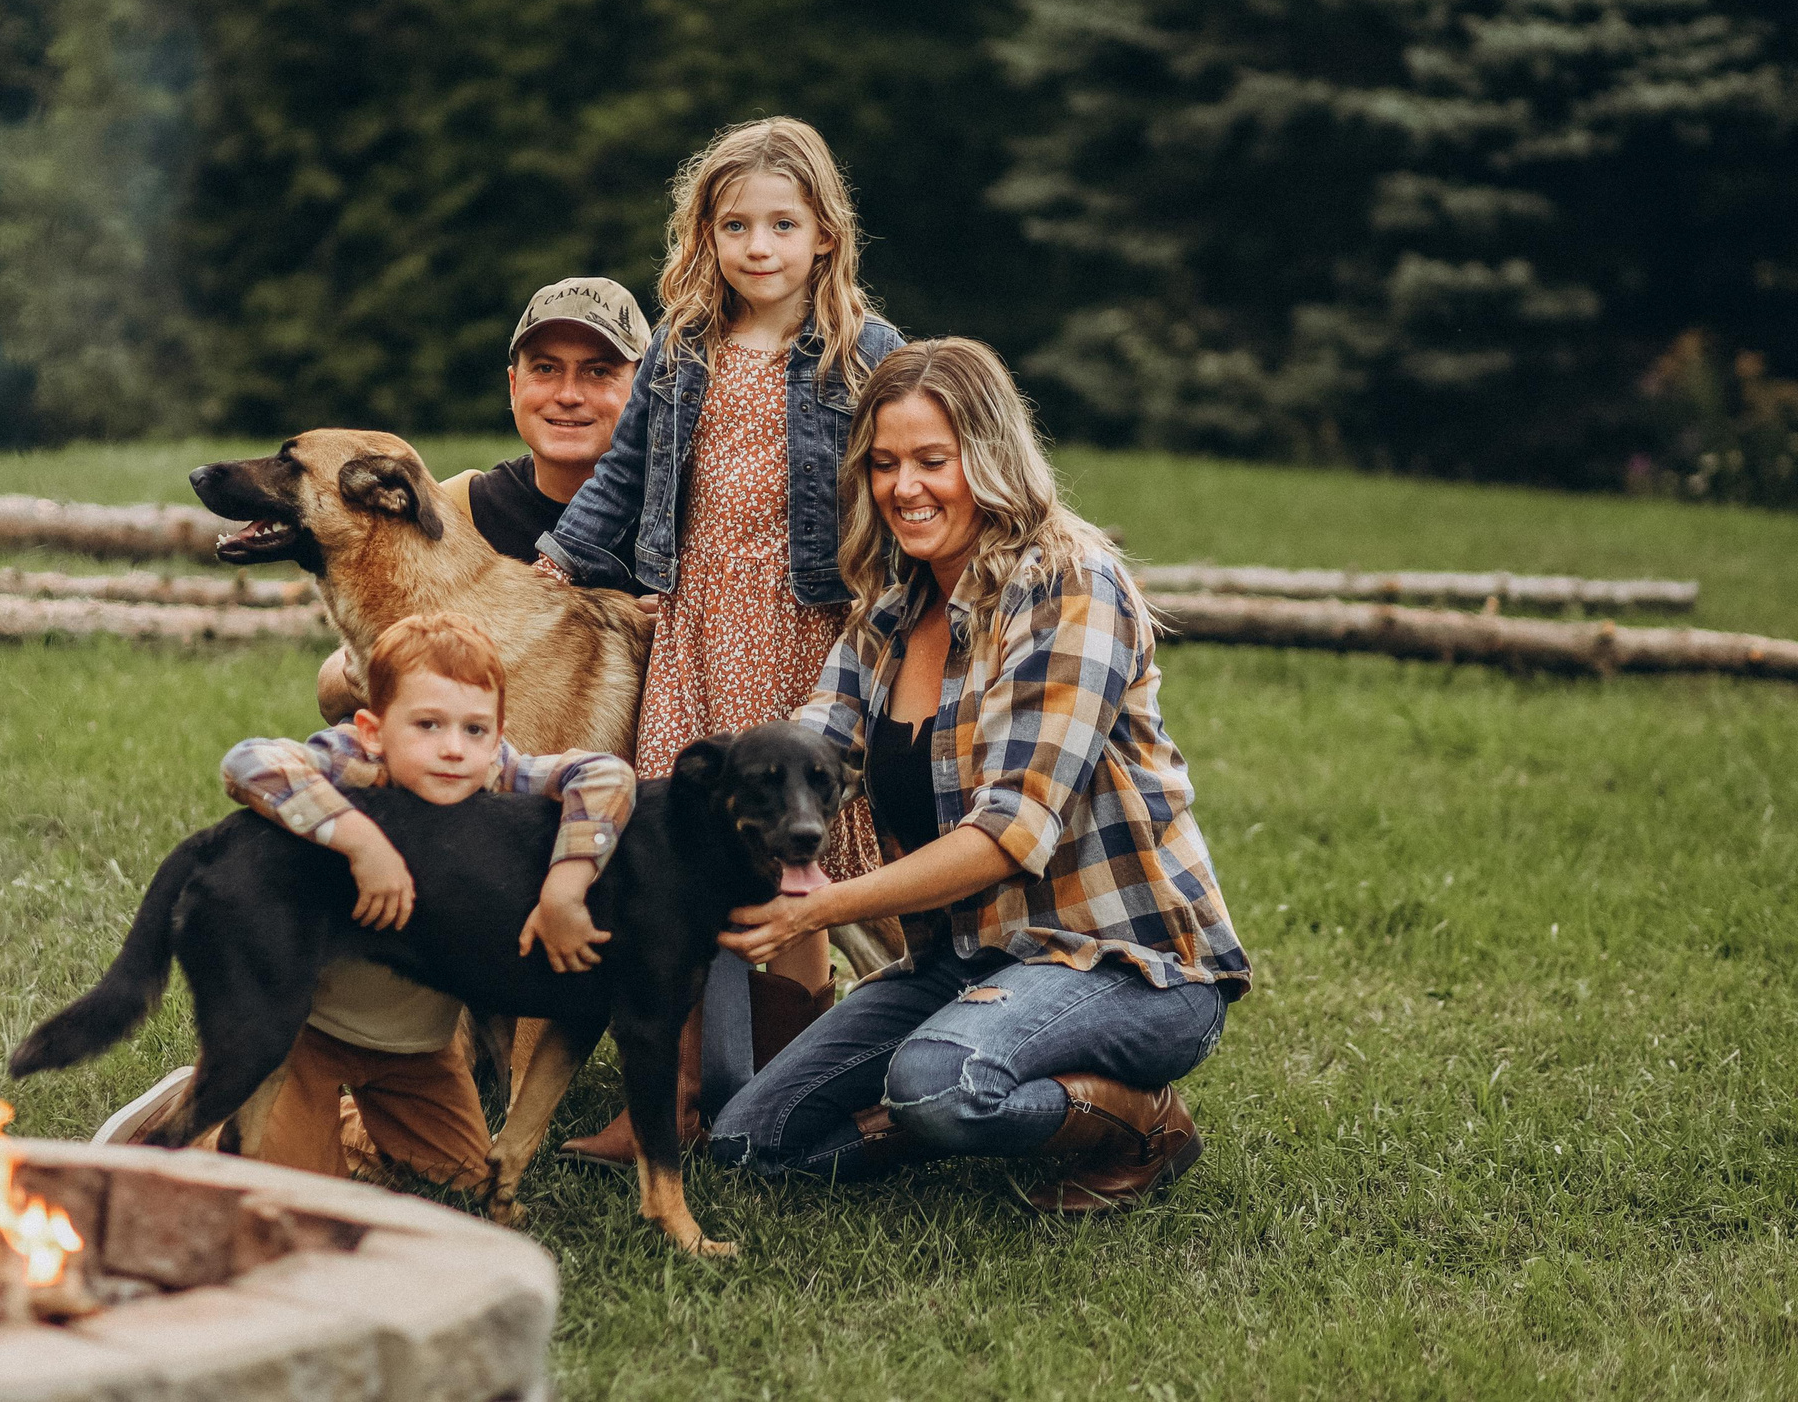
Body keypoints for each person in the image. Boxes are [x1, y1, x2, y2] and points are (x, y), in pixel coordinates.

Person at [706, 338, 1249, 1210]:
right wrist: (688, 816)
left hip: (1123, 966)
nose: (903, 487)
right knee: (748, 1141)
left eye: (933, 459)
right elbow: (812, 745)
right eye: (883, 464)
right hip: (961, 959)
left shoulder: (1071, 582)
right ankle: (940, 1102)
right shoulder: (890, 609)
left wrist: (827, 905)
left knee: (939, 1082)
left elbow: (1010, 831)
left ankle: (1140, 1122)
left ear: (989, 455)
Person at [534, 116, 904, 1165]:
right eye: (734, 224)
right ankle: (679, 1091)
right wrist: (560, 561)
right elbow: (625, 474)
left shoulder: (863, 351)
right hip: (699, 624)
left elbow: (901, 473)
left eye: (781, 224)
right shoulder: (683, 347)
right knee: (683, 851)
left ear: (825, 235)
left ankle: (788, 1091)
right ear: (704, 235)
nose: (758, 246)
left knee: (800, 848)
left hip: (805, 626)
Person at [96, 612, 637, 1195]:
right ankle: (196, 1116)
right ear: (374, 731)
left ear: (498, 733)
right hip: (313, 1032)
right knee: (296, 1188)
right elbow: (249, 762)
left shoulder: (493, 773)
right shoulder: (358, 764)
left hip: (417, 1050)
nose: (453, 749)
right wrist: (359, 839)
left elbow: (606, 775)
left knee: (467, 1185)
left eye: (475, 729)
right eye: (427, 725)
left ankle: (345, 1129)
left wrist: (566, 885)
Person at [315, 277, 651, 724]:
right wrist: (375, 669)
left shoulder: (691, 512)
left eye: (598, 372)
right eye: (546, 369)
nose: (568, 395)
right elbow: (334, 689)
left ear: (648, 392)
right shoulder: (455, 510)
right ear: (513, 387)